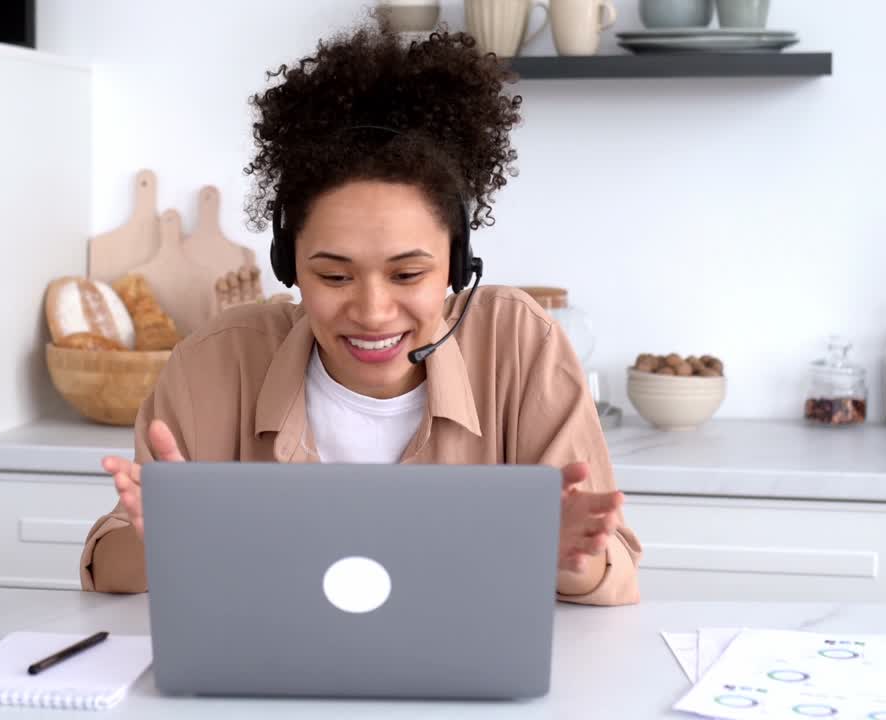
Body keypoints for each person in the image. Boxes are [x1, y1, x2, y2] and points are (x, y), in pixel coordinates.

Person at [79, 22, 641, 605]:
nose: (373, 311)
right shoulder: (216, 361)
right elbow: (110, 568)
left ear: (455, 264)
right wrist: (164, 539)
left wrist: (563, 560)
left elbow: (612, 575)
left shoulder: (519, 343)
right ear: (287, 263)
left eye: (407, 274)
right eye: (335, 275)